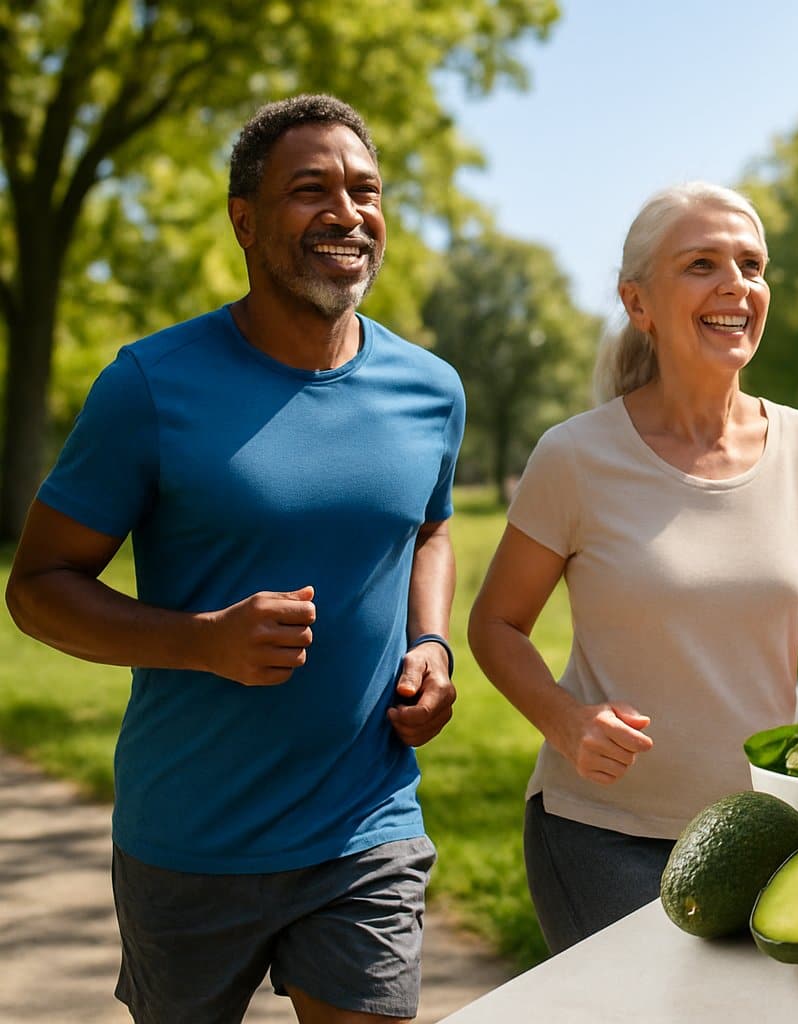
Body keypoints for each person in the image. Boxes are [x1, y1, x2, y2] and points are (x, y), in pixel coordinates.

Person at [4, 94, 466, 1023]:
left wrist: (432, 643)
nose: (347, 213)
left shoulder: (431, 389)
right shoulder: (149, 386)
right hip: (191, 839)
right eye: (312, 190)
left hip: (362, 824)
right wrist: (203, 640)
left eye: (366, 191)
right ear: (245, 221)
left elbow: (429, 527)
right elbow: (38, 589)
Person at [466, 181, 798, 953]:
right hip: (607, 831)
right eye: (701, 264)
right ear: (638, 303)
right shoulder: (576, 457)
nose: (736, 285)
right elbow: (494, 624)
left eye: (752, 265)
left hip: (763, 828)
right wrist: (565, 720)